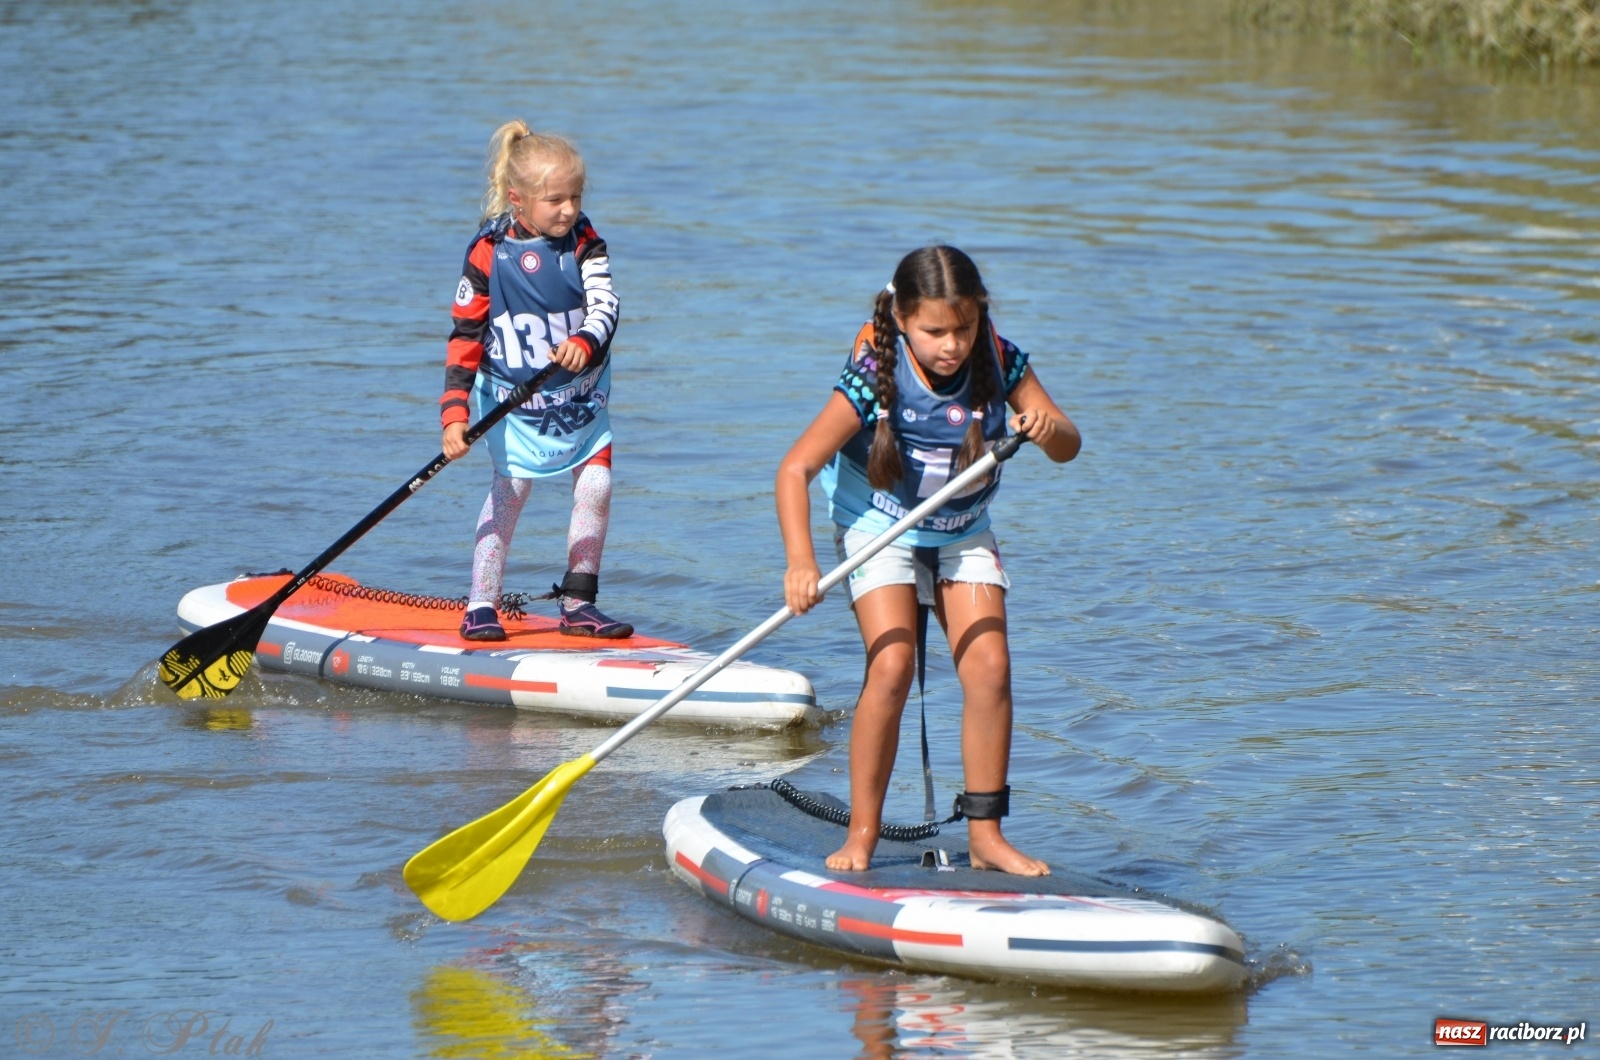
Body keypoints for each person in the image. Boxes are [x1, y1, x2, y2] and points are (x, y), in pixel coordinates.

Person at [775, 245, 1081, 874]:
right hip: (878, 525)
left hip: (963, 527)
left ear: (981, 316)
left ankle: (987, 837)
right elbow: (794, 468)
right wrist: (799, 562)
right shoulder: (871, 375)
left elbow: (1070, 447)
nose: (951, 344)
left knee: (991, 667)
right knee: (892, 665)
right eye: (934, 330)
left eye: (963, 327)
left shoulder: (1000, 359)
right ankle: (861, 835)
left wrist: (1051, 431)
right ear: (903, 320)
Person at [441, 121, 631, 640]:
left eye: (575, 196)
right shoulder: (488, 250)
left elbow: (607, 306)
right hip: (513, 402)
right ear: (517, 200)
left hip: (582, 397)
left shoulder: (586, 241)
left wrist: (584, 342)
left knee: (597, 485)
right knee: (512, 491)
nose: (568, 210)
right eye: (555, 200)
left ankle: (578, 605)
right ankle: (481, 604)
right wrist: (454, 415)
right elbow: (465, 336)